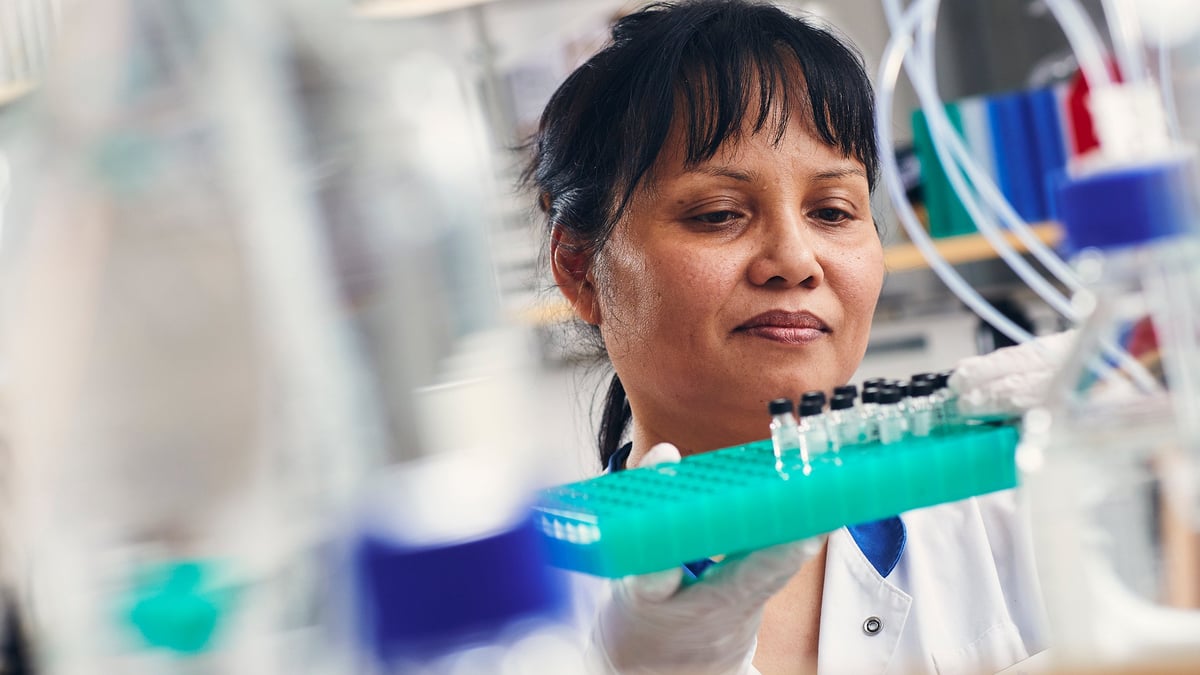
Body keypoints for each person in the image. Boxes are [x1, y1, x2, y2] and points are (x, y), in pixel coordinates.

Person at [523, 1, 1051, 673]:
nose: (796, 259)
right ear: (579, 269)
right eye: (718, 214)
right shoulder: (529, 618)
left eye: (832, 210)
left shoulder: (1002, 509)